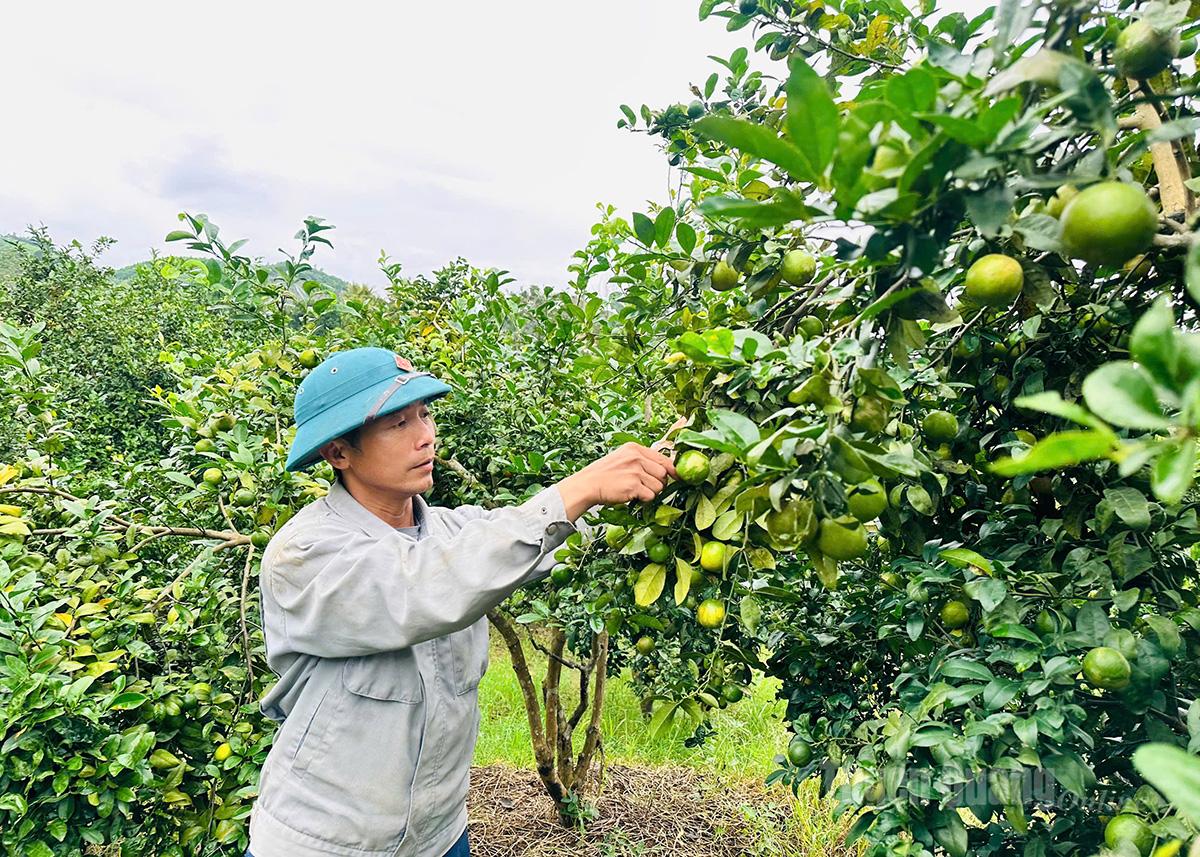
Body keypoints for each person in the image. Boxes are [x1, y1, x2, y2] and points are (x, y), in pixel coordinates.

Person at [243, 346, 679, 857]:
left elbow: (547, 537)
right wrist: (577, 489)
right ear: (339, 453)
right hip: (326, 843)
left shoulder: (451, 530)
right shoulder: (305, 554)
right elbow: (424, 588)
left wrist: (655, 475)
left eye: (424, 414)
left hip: (440, 835)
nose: (425, 435)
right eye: (397, 423)